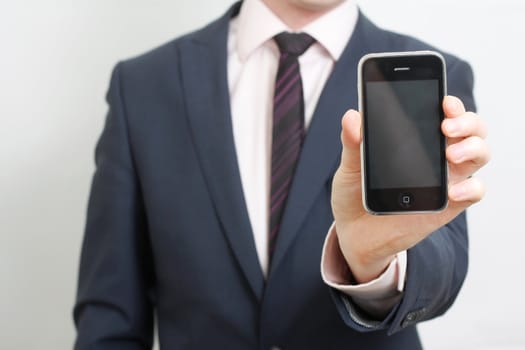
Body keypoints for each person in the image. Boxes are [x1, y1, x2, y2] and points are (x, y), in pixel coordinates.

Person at [73, 0, 490, 349]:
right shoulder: (144, 86)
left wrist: (371, 263)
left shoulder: (432, 77)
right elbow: (110, 317)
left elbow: (441, 274)